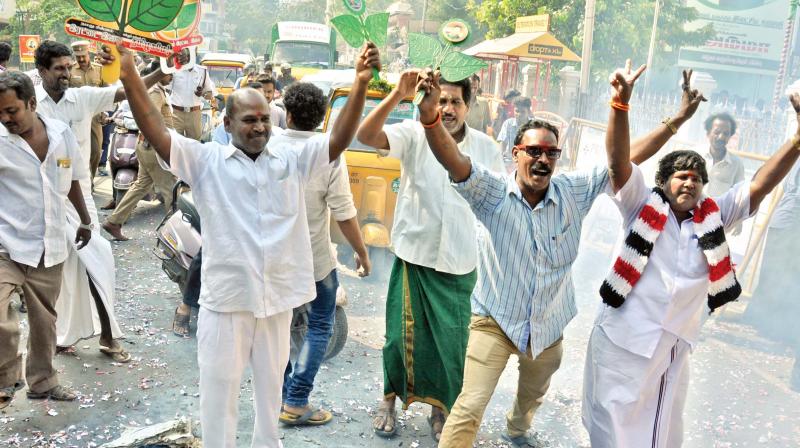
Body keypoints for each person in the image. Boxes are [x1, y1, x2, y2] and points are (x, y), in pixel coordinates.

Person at [116, 41, 380, 446]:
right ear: (226, 123)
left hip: (276, 305)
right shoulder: (205, 163)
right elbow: (156, 129)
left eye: (263, 119)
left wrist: (361, 83)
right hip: (227, 304)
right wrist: (130, 74)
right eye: (248, 120)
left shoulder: (291, 161)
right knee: (219, 399)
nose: (259, 126)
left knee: (270, 393)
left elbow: (337, 140)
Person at [581, 68, 800, 447]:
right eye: (681, 175)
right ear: (664, 182)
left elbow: (760, 185)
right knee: (609, 427)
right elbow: (618, 163)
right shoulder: (640, 205)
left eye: (697, 178)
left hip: (670, 349)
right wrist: (620, 105)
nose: (690, 182)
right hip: (621, 340)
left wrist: (797, 140)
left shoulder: (714, 217)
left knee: (658, 435)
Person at [356, 72, 504, 441]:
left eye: (455, 101)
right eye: (441, 100)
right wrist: (398, 95)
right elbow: (366, 136)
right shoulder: (412, 133)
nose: (448, 109)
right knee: (397, 339)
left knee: (453, 345)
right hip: (413, 256)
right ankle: (388, 400)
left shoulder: (485, 147)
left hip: (461, 262)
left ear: (469, 106)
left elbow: (498, 203)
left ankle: (442, 410)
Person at [34, 41, 163, 361]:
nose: (66, 73)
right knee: (53, 271)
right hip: (40, 197)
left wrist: (162, 72)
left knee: (98, 260)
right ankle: (59, 336)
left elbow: (123, 91)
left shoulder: (81, 97)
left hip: (79, 195)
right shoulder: (30, 102)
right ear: (42, 71)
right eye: (59, 69)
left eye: (69, 67)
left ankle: (108, 336)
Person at [275, 81, 372, 426]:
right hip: (315, 260)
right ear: (321, 119)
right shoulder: (327, 150)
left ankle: (280, 396)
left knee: (278, 327)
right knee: (319, 325)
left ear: (286, 113)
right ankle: (296, 400)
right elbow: (344, 211)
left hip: (274, 261)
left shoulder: (268, 144)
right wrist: (361, 252)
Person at [0, 71, 93, 409]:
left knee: (44, 321)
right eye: (0, 113)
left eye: (12, 111)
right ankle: (6, 379)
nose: (6, 119)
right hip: (7, 246)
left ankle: (42, 382)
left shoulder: (60, 134)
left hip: (50, 246)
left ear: (31, 103)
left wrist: (85, 220)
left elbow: (74, 180)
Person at [102, 64, 176, 241]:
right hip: (154, 146)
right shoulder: (156, 93)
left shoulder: (157, 90)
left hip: (146, 145)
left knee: (141, 185)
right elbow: (151, 119)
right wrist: (159, 145)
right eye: (169, 74)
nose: (171, 77)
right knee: (169, 189)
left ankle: (114, 221)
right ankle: (175, 233)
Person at [743, 160, 800, 391]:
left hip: (790, 223)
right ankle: (774, 327)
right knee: (781, 278)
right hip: (789, 222)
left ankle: (779, 329)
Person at [69, 40, 108, 182]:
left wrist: (105, 112)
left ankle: (89, 178)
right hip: (75, 117)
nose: (81, 59)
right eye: (77, 56)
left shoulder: (100, 69)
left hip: (94, 117)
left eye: (83, 55)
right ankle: (79, 181)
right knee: (76, 151)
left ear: (88, 53)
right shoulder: (70, 70)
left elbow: (106, 92)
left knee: (96, 151)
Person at [170, 48, 216, 140]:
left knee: (194, 145)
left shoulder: (202, 71)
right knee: (175, 144)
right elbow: (166, 90)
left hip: (194, 114)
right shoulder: (174, 70)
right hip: (176, 113)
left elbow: (210, 94)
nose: (184, 58)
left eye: (188, 55)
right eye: (182, 55)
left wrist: (202, 93)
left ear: (194, 55)